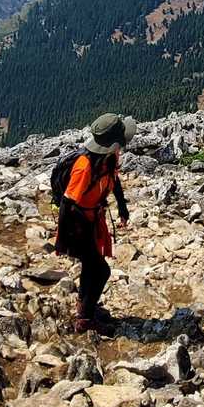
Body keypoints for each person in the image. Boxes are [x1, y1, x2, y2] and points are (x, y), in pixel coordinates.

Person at [55, 112, 135, 332]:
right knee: (101, 271)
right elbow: (67, 204)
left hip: (91, 219)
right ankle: (85, 320)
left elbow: (113, 179)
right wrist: (63, 241)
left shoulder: (108, 158)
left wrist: (122, 207)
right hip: (78, 224)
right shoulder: (84, 167)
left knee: (91, 267)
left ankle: (85, 305)